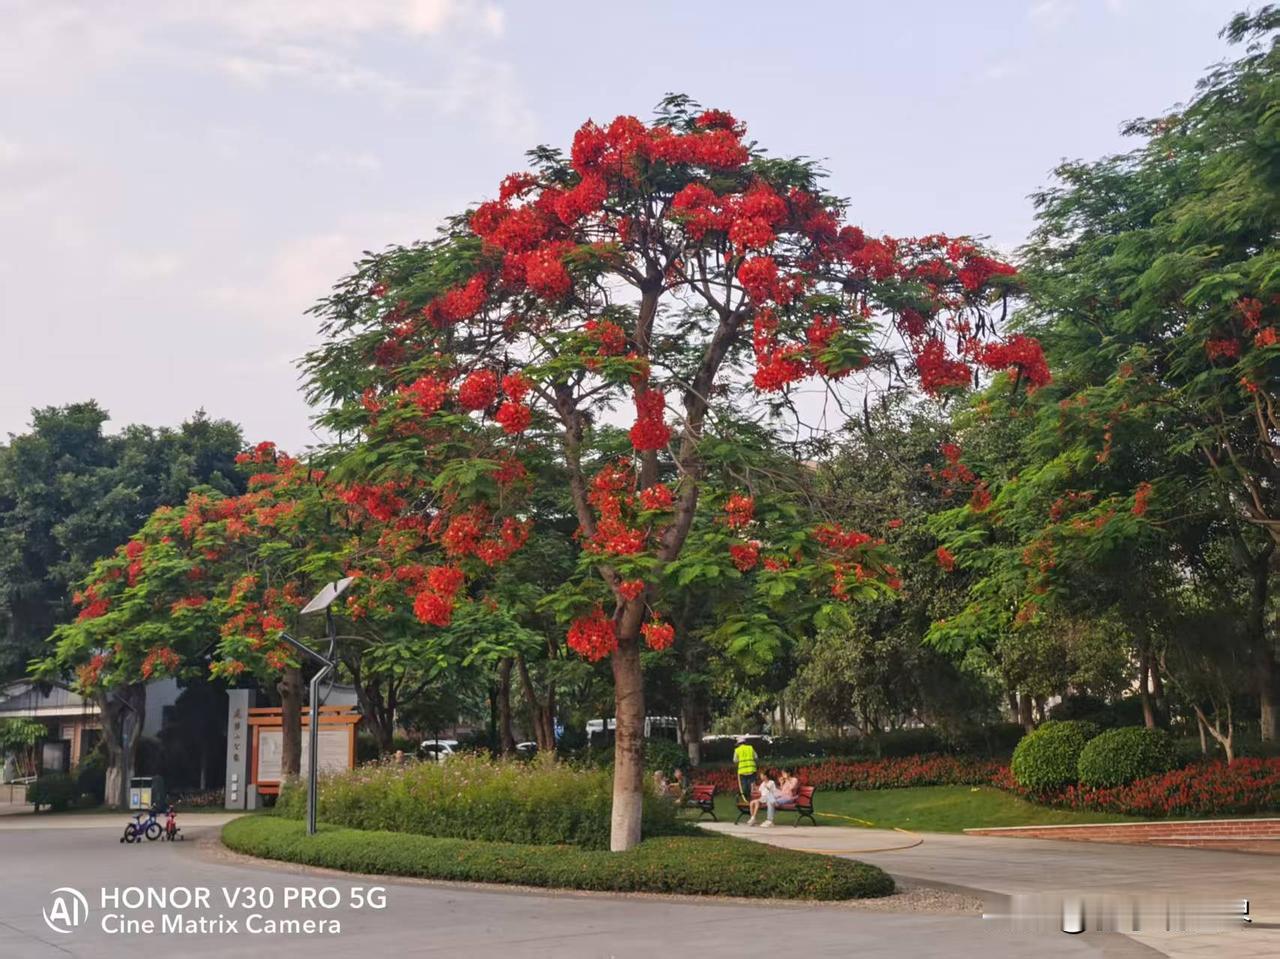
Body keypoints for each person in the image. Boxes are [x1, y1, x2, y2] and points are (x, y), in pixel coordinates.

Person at [732, 736, 757, 804]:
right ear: (745, 742)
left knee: (744, 786)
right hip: (752, 769)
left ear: (739, 743)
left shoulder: (737, 750)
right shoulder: (750, 747)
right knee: (752, 785)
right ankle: (753, 798)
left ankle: (747, 799)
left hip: (742, 771)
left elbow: (735, 760)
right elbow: (756, 757)